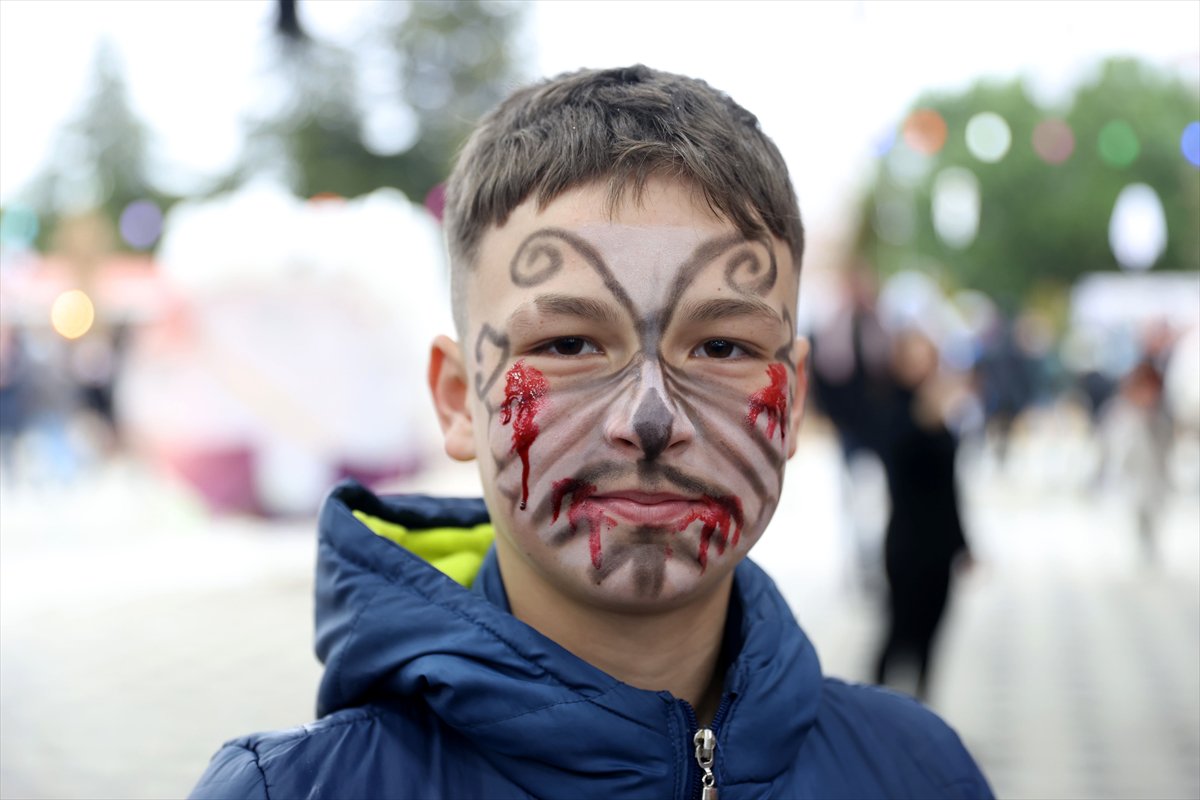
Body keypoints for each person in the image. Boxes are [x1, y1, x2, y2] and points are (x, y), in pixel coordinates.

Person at [190, 65, 992, 799]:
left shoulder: (921, 775)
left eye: (722, 348)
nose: (650, 420)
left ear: (794, 399)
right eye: (568, 344)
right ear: (458, 399)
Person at [873, 327, 974, 702]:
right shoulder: (893, 409)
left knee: (933, 631)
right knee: (899, 629)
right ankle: (875, 706)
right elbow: (897, 465)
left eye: (925, 358)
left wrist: (964, 543)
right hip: (907, 540)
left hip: (940, 542)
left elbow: (950, 488)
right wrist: (926, 418)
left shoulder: (939, 407)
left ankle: (921, 707)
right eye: (912, 359)